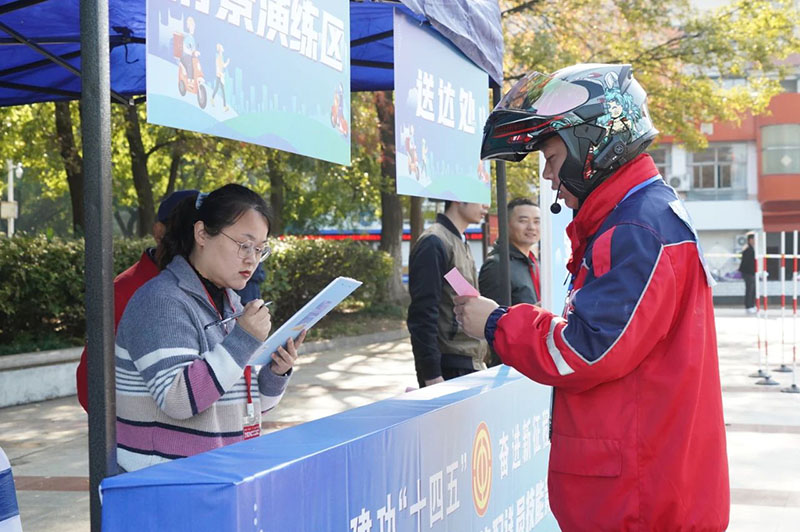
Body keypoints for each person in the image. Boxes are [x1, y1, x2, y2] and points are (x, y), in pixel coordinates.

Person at [455, 64, 729, 530]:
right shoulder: (642, 216)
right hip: (645, 487)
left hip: (637, 502)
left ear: (592, 144)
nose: (548, 175)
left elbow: (586, 352)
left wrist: (497, 323)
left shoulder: (636, 228)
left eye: (551, 156)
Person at [114, 185, 304, 472]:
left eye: (260, 249)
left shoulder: (231, 303)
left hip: (216, 474)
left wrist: (276, 372)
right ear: (202, 233)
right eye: (244, 245)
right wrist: (243, 340)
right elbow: (178, 399)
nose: (251, 259)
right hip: (166, 482)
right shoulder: (161, 301)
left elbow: (245, 408)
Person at [76, 189, 199, 412]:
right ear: (158, 231)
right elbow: (91, 387)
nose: (199, 240)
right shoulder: (123, 291)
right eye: (189, 229)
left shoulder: (216, 287)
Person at [407, 201, 489, 387]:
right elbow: (422, 314)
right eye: (479, 197)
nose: (486, 205)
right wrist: (432, 374)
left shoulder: (458, 240)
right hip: (449, 364)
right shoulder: (434, 241)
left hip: (468, 360)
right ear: (458, 198)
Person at [479, 198, 541, 366]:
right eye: (523, 221)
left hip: (538, 357)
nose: (532, 227)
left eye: (537, 221)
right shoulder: (498, 265)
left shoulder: (535, 263)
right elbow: (493, 322)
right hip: (511, 363)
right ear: (506, 224)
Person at [739, 232, 756, 313]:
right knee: (749, 289)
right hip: (748, 272)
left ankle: (752, 305)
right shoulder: (747, 249)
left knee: (753, 289)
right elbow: (746, 262)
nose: (755, 241)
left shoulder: (751, 248)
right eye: (754, 239)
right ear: (750, 240)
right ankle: (748, 306)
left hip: (752, 272)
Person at [211, 42, 229, 111]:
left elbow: (223, 66)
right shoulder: (219, 57)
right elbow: (218, 67)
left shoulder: (221, 57)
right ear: (220, 49)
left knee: (219, 89)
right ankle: (223, 106)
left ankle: (223, 106)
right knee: (218, 89)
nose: (223, 48)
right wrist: (220, 74)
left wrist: (227, 62)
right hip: (219, 76)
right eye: (222, 47)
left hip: (220, 76)